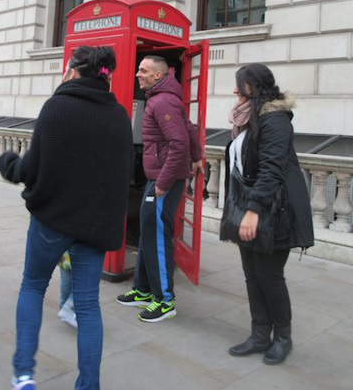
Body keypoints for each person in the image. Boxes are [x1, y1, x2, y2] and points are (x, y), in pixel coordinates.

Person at [0, 46, 133, 390]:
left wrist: (8, 163)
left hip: (53, 222)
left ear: (74, 70)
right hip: (93, 226)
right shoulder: (119, 116)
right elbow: (121, 178)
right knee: (88, 306)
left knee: (33, 286)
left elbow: (31, 169)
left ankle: (23, 376)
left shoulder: (57, 108)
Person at [224, 63, 314, 364]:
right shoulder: (250, 119)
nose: (234, 90)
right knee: (252, 276)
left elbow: (272, 170)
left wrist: (253, 211)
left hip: (275, 210)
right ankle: (260, 334)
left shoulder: (274, 121)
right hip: (252, 206)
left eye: (239, 84)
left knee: (269, 276)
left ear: (253, 86)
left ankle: (283, 337)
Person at [117, 55, 202, 322]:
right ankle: (143, 289)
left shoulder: (162, 100)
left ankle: (165, 301)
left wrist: (163, 184)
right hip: (157, 178)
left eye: (143, 70)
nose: (137, 74)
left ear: (157, 75)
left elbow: (179, 144)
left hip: (163, 181)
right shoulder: (163, 99)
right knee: (148, 233)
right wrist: (198, 155)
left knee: (157, 239)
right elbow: (189, 130)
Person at [57, 251, 77, 329]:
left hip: (64, 256)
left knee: (66, 284)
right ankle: (67, 308)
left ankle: (63, 307)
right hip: (79, 257)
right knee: (82, 285)